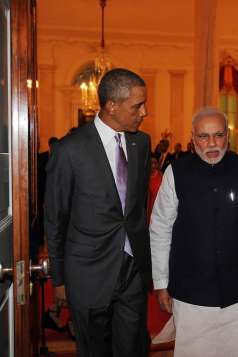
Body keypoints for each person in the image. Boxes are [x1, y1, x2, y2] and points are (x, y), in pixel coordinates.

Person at [150, 107, 238, 357]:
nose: (211, 143)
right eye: (203, 136)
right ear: (193, 137)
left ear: (227, 137)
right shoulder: (176, 173)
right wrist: (161, 283)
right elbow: (160, 230)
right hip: (190, 295)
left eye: (218, 135)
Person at [45, 68, 152, 357]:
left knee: (133, 348)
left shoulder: (141, 143)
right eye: (137, 105)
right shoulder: (69, 151)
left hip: (132, 270)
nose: (145, 112)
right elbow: (55, 218)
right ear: (111, 105)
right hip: (88, 273)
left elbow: (138, 206)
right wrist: (59, 279)